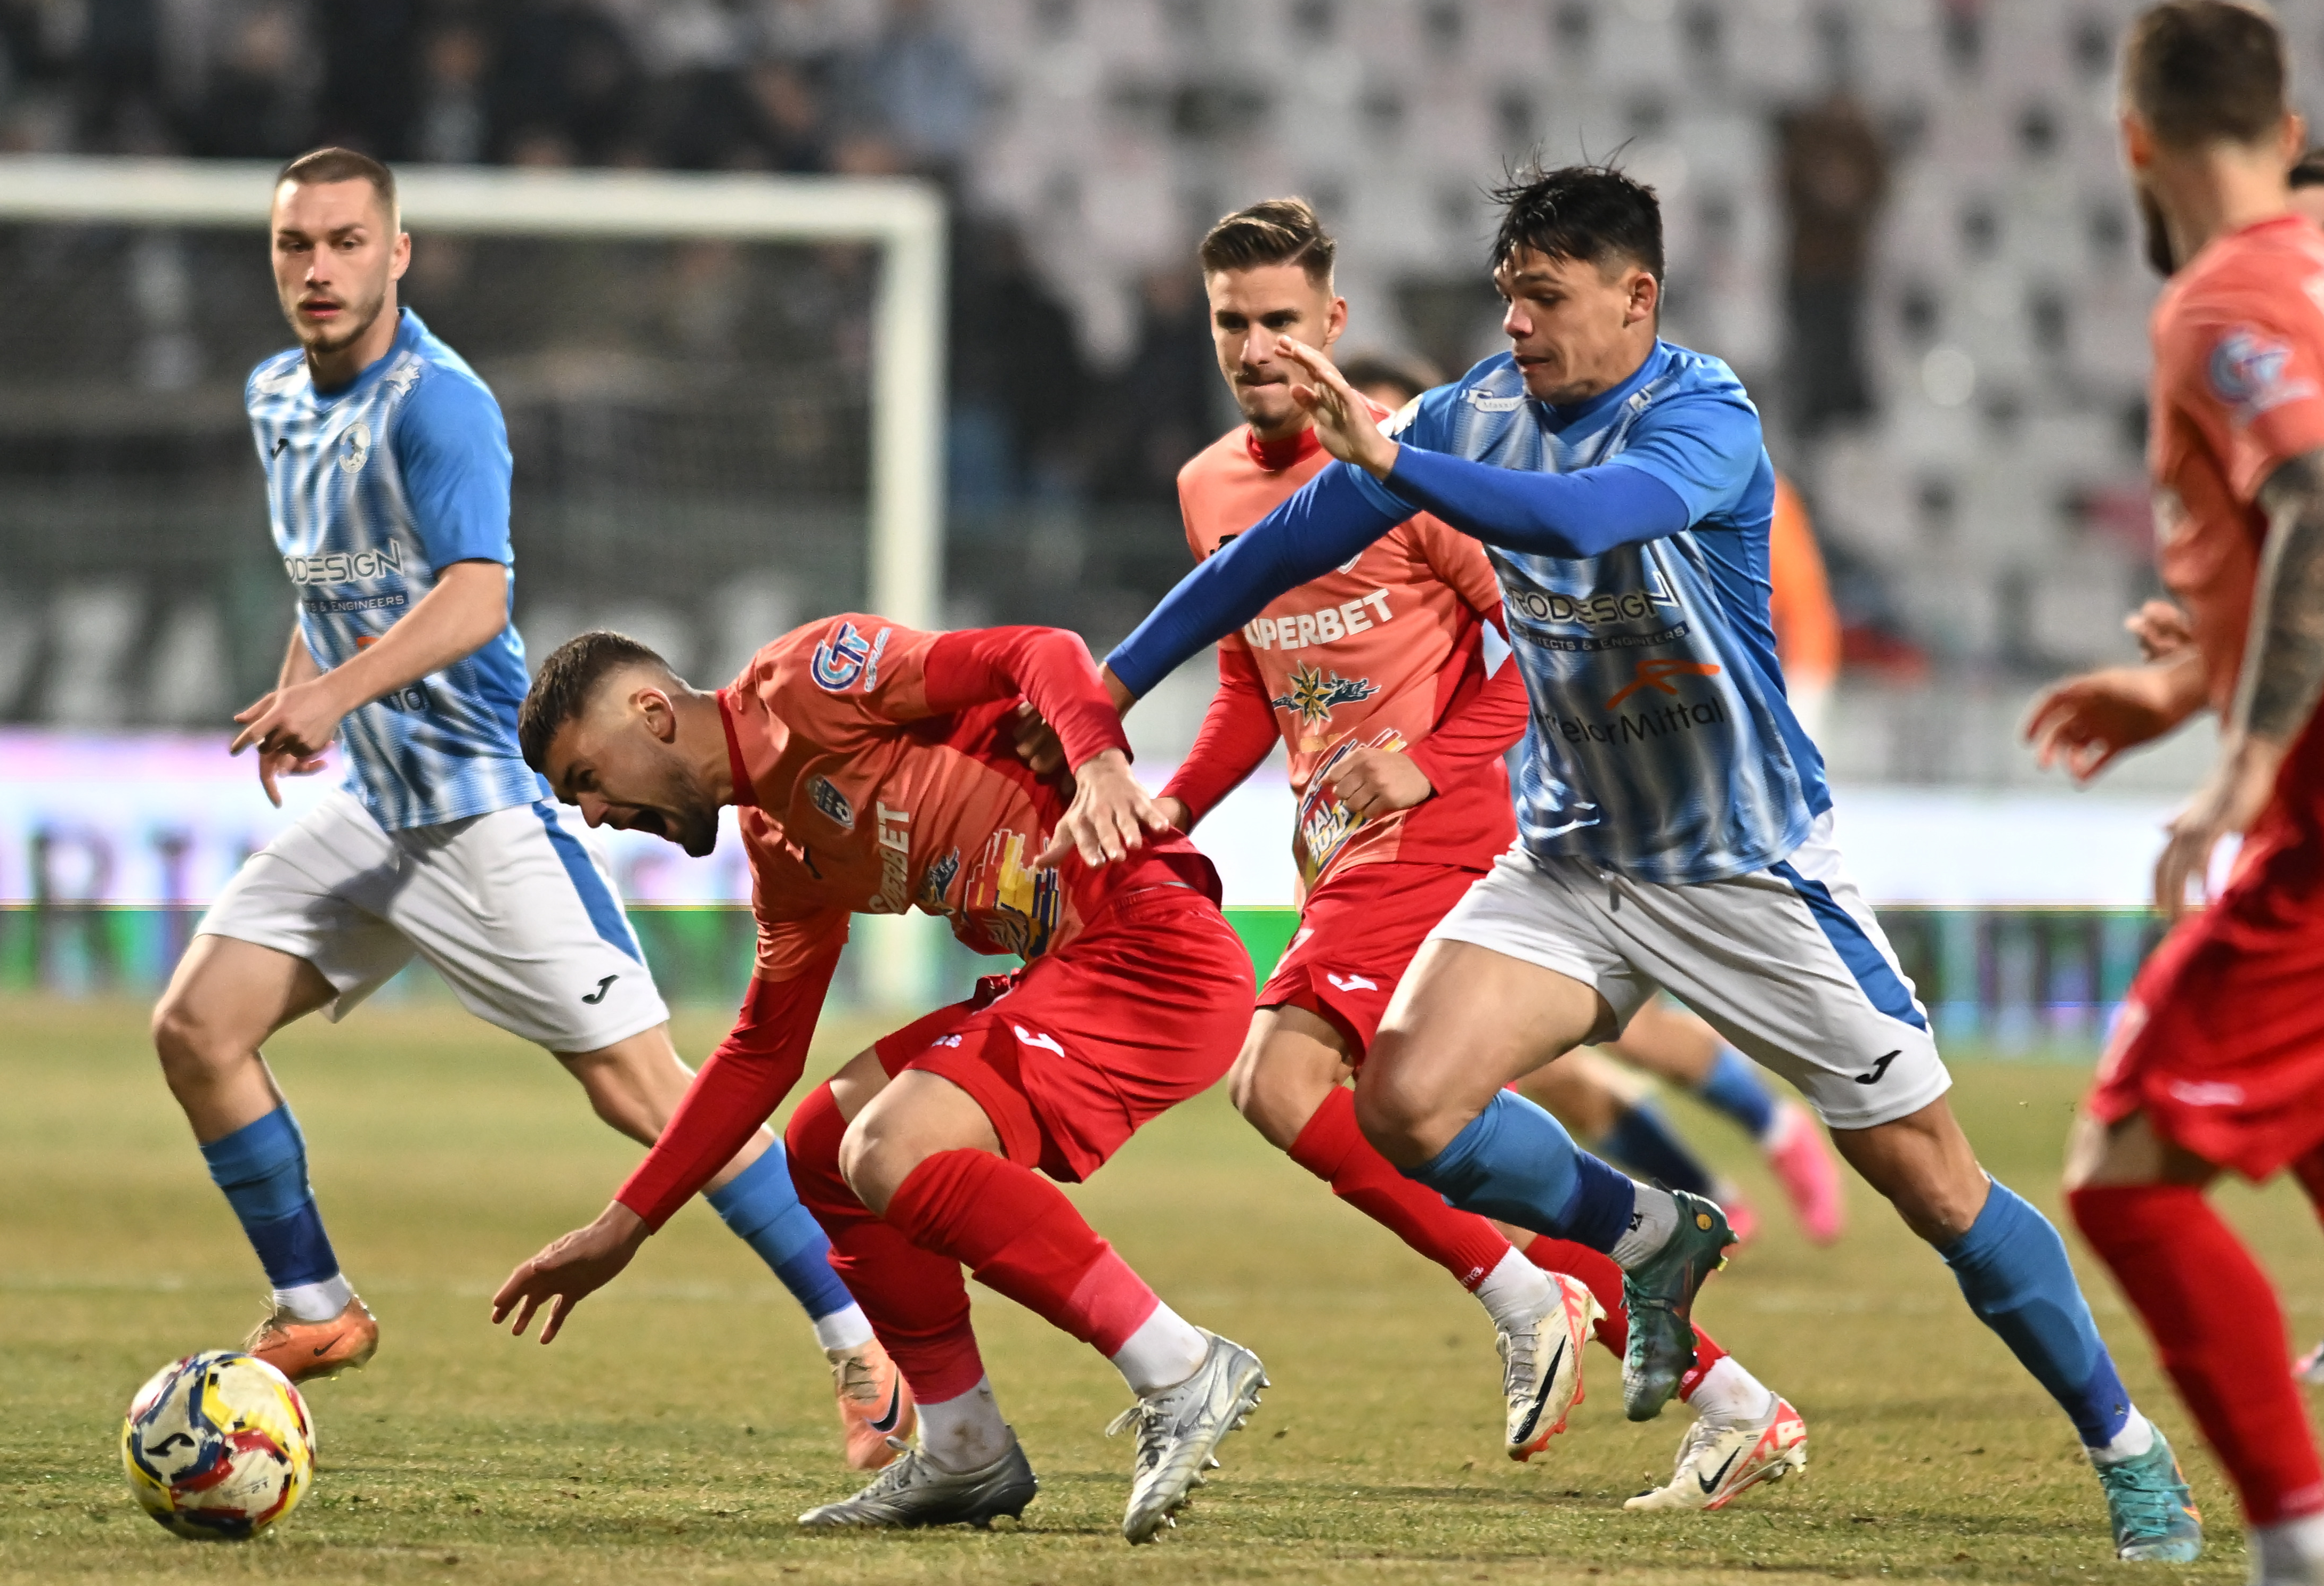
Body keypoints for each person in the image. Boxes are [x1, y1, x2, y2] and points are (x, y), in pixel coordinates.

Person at [1071, 162, 2200, 1563]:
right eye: (1506, 300)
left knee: (1940, 1190)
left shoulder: (1703, 414)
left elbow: (1590, 520)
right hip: (1572, 860)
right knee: (1407, 1105)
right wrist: (1109, 693)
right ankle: (1651, 1231)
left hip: (1745, 868)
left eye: (1545, 299)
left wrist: (1392, 459)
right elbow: (1270, 557)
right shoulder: (1475, 409)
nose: (1521, 328)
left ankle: (2128, 1448)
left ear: (1635, 299)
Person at [148, 147, 909, 1471]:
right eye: (293, 247)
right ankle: (318, 1311)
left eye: (343, 242)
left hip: (484, 812)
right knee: (199, 1028)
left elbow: (474, 599)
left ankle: (865, 1352)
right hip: (370, 810)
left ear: (398, 254)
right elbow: (328, 575)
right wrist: (302, 692)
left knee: (650, 1099)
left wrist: (334, 698)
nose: (317, 268)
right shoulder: (276, 394)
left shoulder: (441, 404)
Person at [1144, 198, 1802, 1508]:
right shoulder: (1207, 488)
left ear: (1332, 324)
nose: (1256, 346)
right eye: (1232, 322)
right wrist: (1173, 805)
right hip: (1333, 854)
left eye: (1282, 319)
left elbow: (1545, 647)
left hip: (1442, 832)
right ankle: (1731, 1396)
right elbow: (1247, 684)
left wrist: (1426, 762)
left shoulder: (1405, 476)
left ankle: (1525, 1295)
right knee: (1401, 1117)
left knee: (1278, 1087)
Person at [487, 622, 1264, 1544]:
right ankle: (964, 1446)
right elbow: (761, 1052)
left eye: (586, 779)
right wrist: (623, 1226)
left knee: (892, 1145)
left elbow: (1042, 651)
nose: (595, 814)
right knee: (823, 1145)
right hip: (1069, 971)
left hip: (1150, 955)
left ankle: (1177, 1366)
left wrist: (1096, 763)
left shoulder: (811, 679)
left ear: (653, 714)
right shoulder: (781, 845)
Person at [2025, 6, 2324, 1579]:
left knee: (2127, 1172)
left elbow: (2320, 511)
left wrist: (2244, 763)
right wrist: (2186, 675)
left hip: (2322, 825)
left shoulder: (2228, 301)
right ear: (2285, 125)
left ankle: (2296, 1553)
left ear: (2134, 140)